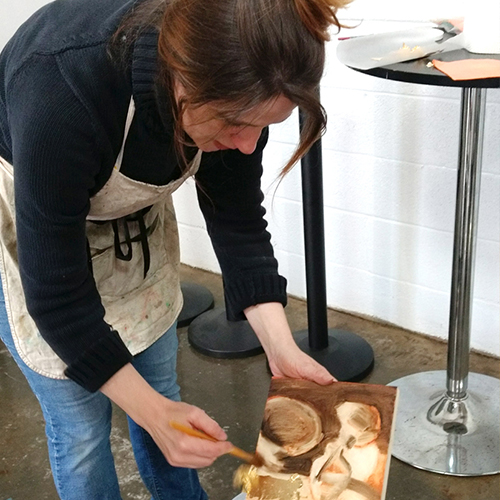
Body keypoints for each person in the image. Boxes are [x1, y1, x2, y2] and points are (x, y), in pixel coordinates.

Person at [0, 0, 350, 498]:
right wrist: (149, 414)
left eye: (264, 126)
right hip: (33, 215)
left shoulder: (242, 80)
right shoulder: (61, 89)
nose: (250, 145)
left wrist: (280, 347)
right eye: (235, 125)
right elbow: (58, 299)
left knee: (161, 392)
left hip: (128, 222)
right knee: (80, 428)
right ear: (182, 83)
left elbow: (238, 219)